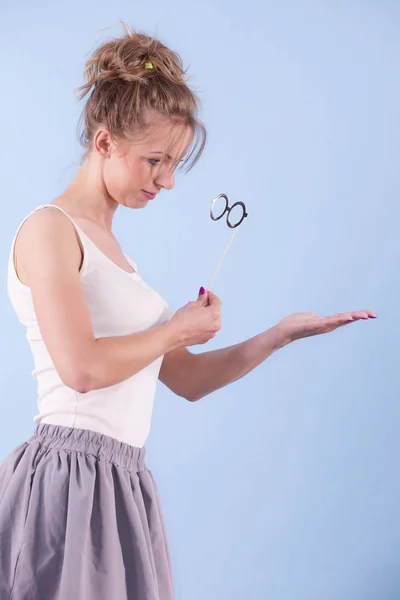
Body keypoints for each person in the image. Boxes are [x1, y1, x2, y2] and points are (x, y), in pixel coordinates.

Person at [0, 21, 376, 600]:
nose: (168, 181)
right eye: (156, 161)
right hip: (68, 479)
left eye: (174, 164)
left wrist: (279, 335)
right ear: (104, 143)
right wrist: (173, 328)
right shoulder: (50, 230)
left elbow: (189, 379)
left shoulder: (115, 252)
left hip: (122, 480)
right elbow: (80, 369)